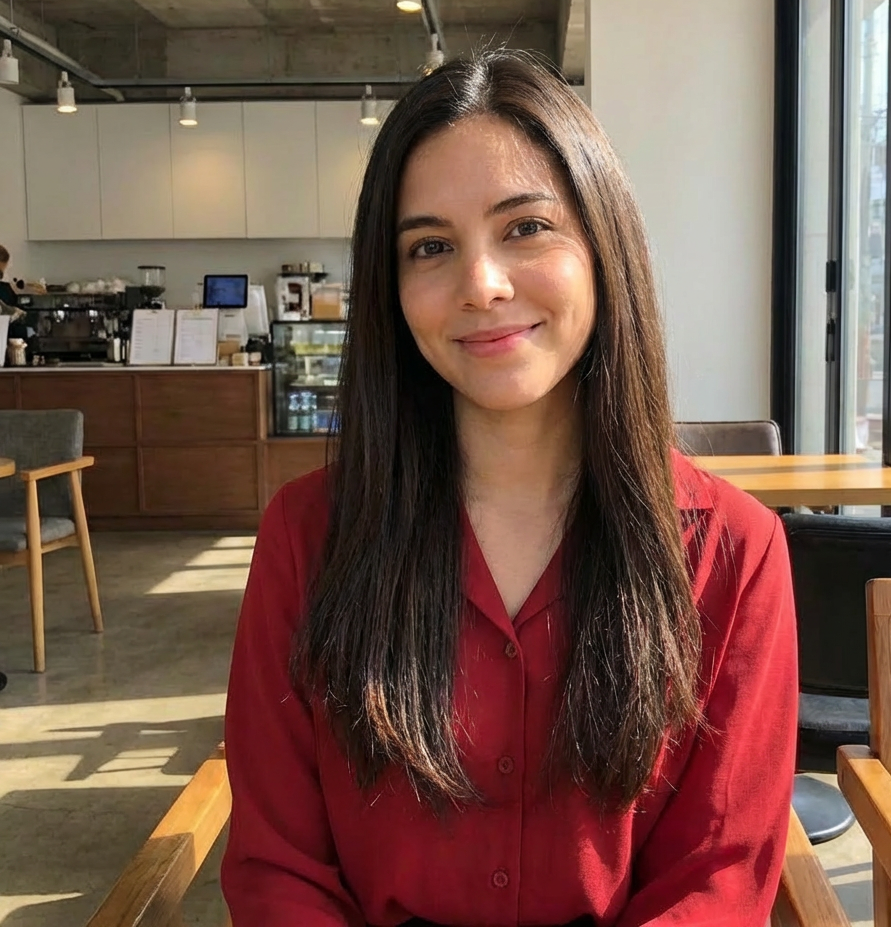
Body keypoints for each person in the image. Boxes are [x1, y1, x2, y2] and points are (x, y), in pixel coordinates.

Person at [221, 52, 798, 927]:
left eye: (525, 228)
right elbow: (279, 868)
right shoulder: (308, 535)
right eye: (431, 247)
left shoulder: (733, 550)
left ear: (604, 247)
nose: (481, 284)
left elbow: (716, 879)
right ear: (394, 288)